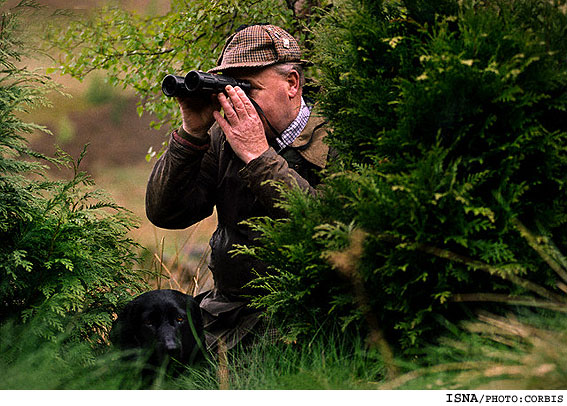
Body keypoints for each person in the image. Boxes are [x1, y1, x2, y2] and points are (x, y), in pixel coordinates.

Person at [146, 24, 333, 351]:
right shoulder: (224, 140)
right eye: (230, 88)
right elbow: (167, 213)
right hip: (228, 312)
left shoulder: (338, 140)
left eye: (249, 88)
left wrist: (258, 156)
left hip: (309, 312)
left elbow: (328, 228)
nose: (238, 102)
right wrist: (192, 134)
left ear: (292, 83)